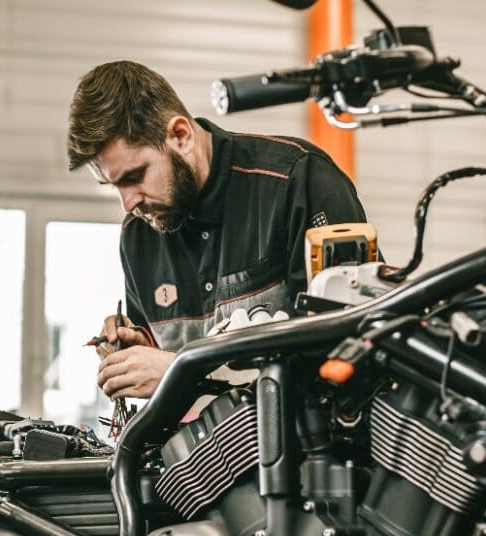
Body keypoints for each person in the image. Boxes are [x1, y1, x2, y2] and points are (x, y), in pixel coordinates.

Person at [66, 60, 367, 400]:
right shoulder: (138, 236)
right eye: (112, 186)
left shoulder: (297, 181)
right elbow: (159, 354)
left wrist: (182, 370)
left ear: (180, 136)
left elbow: (354, 345)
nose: (128, 203)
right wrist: (139, 347)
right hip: (201, 451)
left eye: (134, 177)